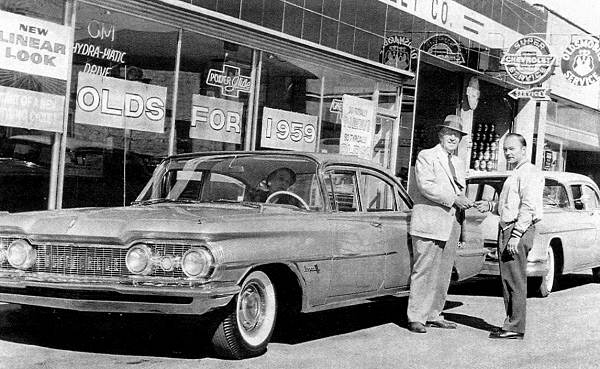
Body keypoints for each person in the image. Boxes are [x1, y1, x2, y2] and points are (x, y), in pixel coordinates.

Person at [407, 115, 472, 333]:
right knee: (423, 269)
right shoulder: (426, 156)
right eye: (449, 133)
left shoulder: (459, 162)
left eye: (457, 135)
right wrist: (454, 199)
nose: (453, 138)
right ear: (440, 135)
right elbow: (426, 186)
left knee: (443, 272)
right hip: (429, 221)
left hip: (452, 222)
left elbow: (460, 192)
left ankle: (435, 313)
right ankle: (416, 316)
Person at [474, 133, 543, 340]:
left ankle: (515, 327)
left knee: (514, 280)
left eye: (512, 149)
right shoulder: (516, 173)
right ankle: (512, 324)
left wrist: (515, 235)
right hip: (509, 228)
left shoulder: (529, 172)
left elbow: (528, 207)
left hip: (516, 231)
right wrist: (490, 205)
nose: (507, 153)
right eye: (505, 149)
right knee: (508, 280)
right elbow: (510, 206)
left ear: (524, 150)